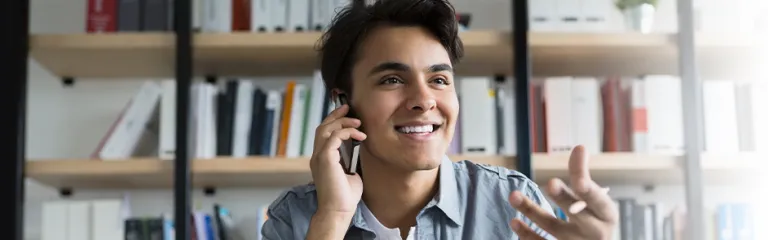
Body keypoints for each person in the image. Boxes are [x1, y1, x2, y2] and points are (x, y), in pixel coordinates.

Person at [261, 0, 618, 239]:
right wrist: (333, 218)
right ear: (344, 102)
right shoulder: (295, 218)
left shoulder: (511, 201)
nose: (424, 100)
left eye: (439, 80)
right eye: (392, 80)